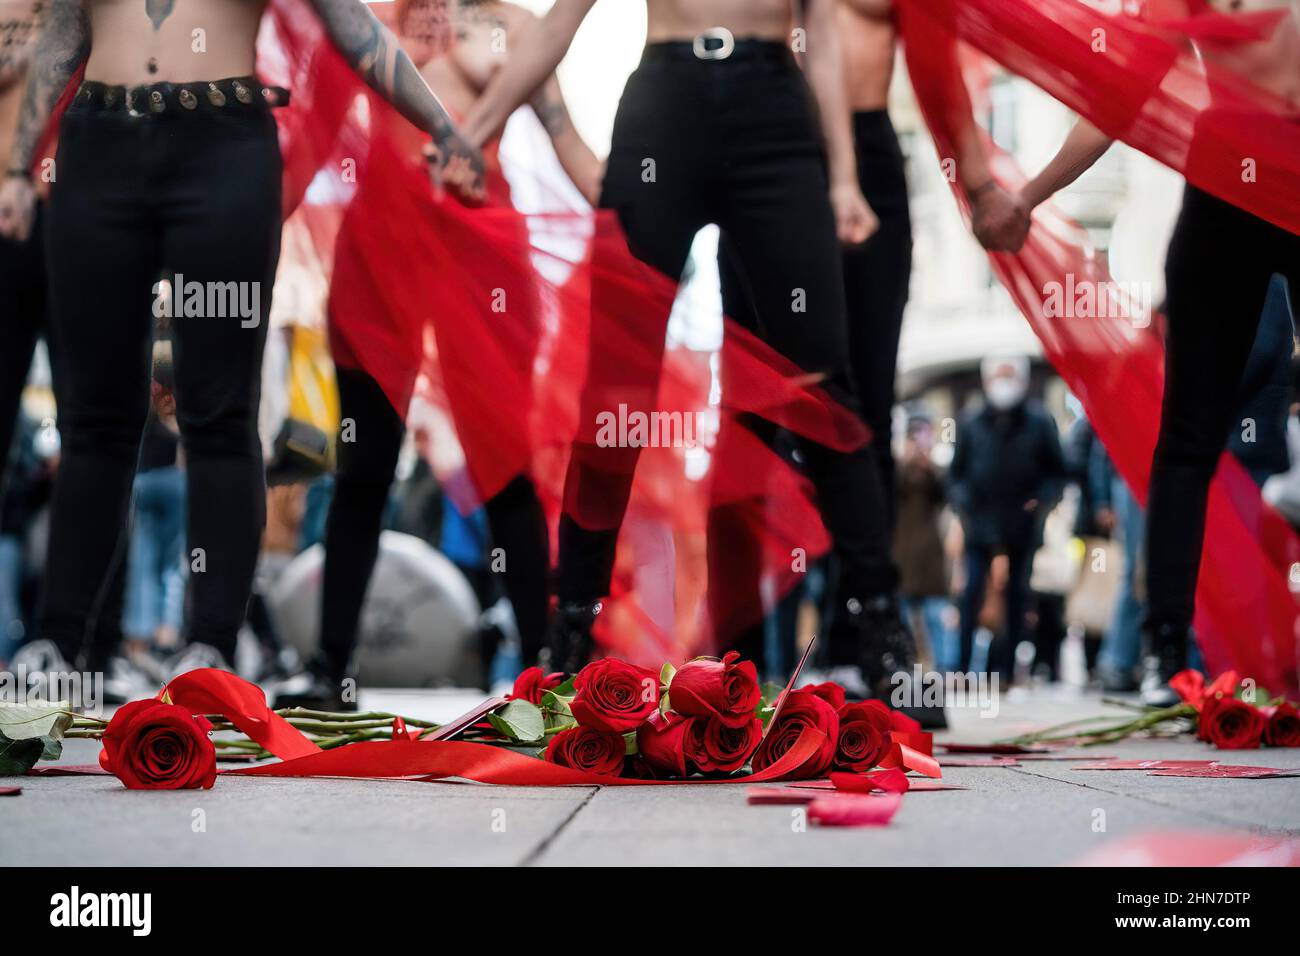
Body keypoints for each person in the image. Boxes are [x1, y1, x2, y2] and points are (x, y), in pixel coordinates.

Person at [458, 0, 939, 709]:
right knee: (615, 386)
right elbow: (559, 23)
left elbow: (825, 31)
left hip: (775, 105)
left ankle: (881, 633)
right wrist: (473, 131)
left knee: (822, 382)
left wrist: (842, 176)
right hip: (667, 102)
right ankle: (569, 632)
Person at [0, 0, 485, 681]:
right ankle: (57, 644)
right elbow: (63, 37)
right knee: (94, 416)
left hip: (221, 145)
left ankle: (212, 650)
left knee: (220, 410)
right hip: (98, 143)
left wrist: (444, 127)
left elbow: (353, 28)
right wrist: (20, 169)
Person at [277, 0, 602, 710]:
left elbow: (566, 139)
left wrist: (639, 211)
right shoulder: (375, 21)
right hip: (383, 244)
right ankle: (332, 670)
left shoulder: (517, 27)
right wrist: (244, 224)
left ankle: (546, 673)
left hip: (481, 251)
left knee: (503, 465)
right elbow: (317, 132)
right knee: (363, 463)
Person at [980, 0, 1300, 704]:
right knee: (1188, 431)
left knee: (1188, 439)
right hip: (1230, 173)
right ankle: (1166, 657)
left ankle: (1166, 656)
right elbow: (1117, 98)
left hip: (1269, 163)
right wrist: (1028, 197)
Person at [948, 355, 1066, 680]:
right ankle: (961, 668)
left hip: (1021, 527)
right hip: (979, 526)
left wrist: (1040, 501)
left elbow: (1058, 473)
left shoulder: (1040, 422)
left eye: (1009, 375)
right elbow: (955, 475)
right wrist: (964, 503)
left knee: (1017, 597)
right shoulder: (971, 422)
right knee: (971, 593)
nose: (1004, 383)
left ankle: (1006, 670)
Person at [893, 413, 956, 672]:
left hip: (930, 554)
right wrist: (907, 462)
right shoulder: (898, 469)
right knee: (904, 617)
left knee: (934, 615)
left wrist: (929, 467)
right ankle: (904, 665)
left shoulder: (936, 471)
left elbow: (946, 495)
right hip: (902, 552)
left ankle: (945, 666)